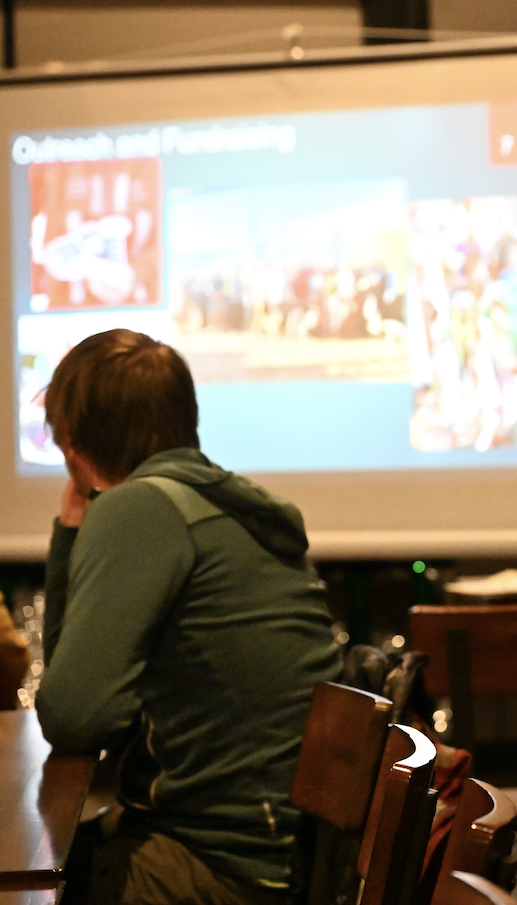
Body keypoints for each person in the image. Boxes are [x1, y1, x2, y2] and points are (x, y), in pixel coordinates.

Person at [36, 329, 341, 905]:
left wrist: (76, 523)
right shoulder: (229, 505)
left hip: (222, 869)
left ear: (73, 441)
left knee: (36, 884)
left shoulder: (140, 509)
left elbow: (73, 715)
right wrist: (73, 529)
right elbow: (81, 697)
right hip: (292, 855)